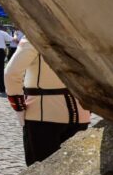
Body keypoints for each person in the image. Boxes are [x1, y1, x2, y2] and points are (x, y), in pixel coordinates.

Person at [5, 35, 91, 165]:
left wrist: (19, 107)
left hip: (43, 115)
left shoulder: (35, 36)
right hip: (82, 114)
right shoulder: (86, 36)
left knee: (40, 174)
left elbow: (11, 73)